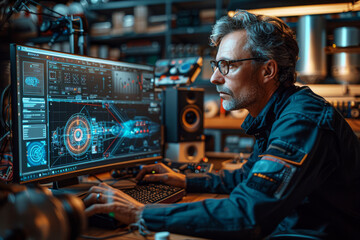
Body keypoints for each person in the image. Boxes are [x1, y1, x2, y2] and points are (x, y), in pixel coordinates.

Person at [83, 10, 360, 239]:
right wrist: (185, 180)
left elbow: (247, 215)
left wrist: (140, 213)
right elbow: (249, 179)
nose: (215, 77)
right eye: (217, 65)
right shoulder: (275, 113)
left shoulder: (301, 120)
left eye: (227, 65)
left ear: (268, 70)